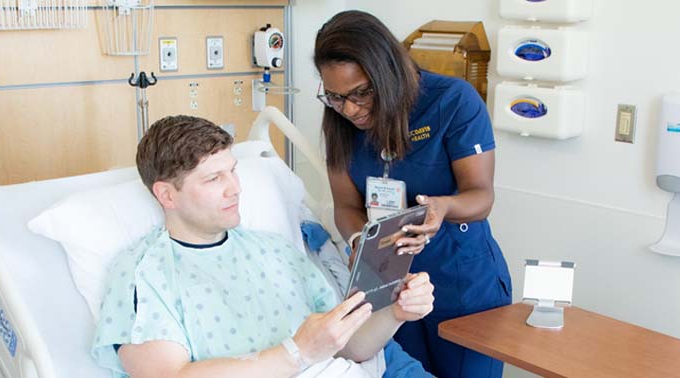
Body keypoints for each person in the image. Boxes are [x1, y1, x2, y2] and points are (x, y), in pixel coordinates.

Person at [90, 115, 437, 377]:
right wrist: (296, 353)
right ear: (166, 194)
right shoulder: (145, 274)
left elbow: (347, 347)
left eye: (232, 171)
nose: (235, 189)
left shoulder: (275, 251)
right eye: (214, 179)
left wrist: (395, 314)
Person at [313, 10, 513, 378]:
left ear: (386, 71)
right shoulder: (340, 124)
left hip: (460, 283)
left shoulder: (452, 102)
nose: (351, 109)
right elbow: (345, 206)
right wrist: (361, 240)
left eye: (361, 92)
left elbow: (481, 196)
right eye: (336, 97)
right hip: (390, 285)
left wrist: (443, 207)